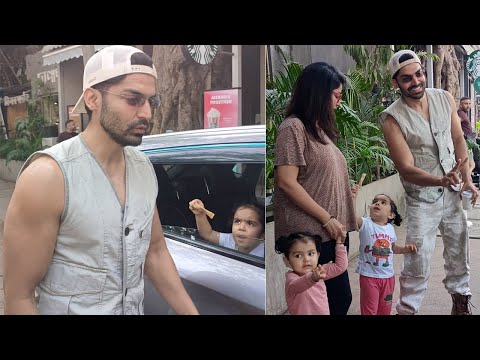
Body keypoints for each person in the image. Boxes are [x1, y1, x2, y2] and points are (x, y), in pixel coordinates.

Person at [3, 45, 199, 315]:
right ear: (93, 99)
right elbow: (19, 296)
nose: (147, 113)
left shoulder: (142, 167)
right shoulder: (48, 177)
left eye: (151, 101)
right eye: (133, 99)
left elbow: (154, 252)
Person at [380, 49, 477, 315]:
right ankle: (408, 310)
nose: (416, 81)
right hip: (422, 199)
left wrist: (467, 179)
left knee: (459, 251)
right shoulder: (392, 118)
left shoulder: (444, 98)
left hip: (454, 194)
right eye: (407, 78)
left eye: (419, 74)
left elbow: (458, 141)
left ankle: (460, 304)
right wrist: (439, 179)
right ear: (396, 83)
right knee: (417, 258)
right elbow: (406, 169)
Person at [274, 61, 356, 315]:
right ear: (319, 94)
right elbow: (287, 181)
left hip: (331, 233)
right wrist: (327, 218)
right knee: (331, 303)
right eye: (336, 96)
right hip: (312, 237)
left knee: (335, 302)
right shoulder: (293, 128)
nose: (338, 103)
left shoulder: (319, 131)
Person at [354, 193, 417, 315]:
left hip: (388, 278)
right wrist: (353, 197)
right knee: (369, 310)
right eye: (375, 201)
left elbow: (391, 248)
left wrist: (404, 249)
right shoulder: (365, 223)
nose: (377, 203)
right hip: (369, 277)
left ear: (391, 215)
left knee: (385, 310)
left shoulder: (390, 229)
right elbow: (352, 217)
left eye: (383, 202)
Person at [274, 231, 347, 315]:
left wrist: (340, 244)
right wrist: (313, 278)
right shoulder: (292, 279)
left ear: (318, 255)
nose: (306, 259)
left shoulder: (319, 271)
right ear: (287, 261)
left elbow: (340, 267)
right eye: (298, 256)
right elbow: (297, 285)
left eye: (310, 254)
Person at [188, 198, 265, 257]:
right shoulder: (230, 240)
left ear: (263, 234)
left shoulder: (265, 253)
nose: (241, 228)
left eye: (250, 223)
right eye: (237, 221)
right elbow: (208, 234)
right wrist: (200, 214)